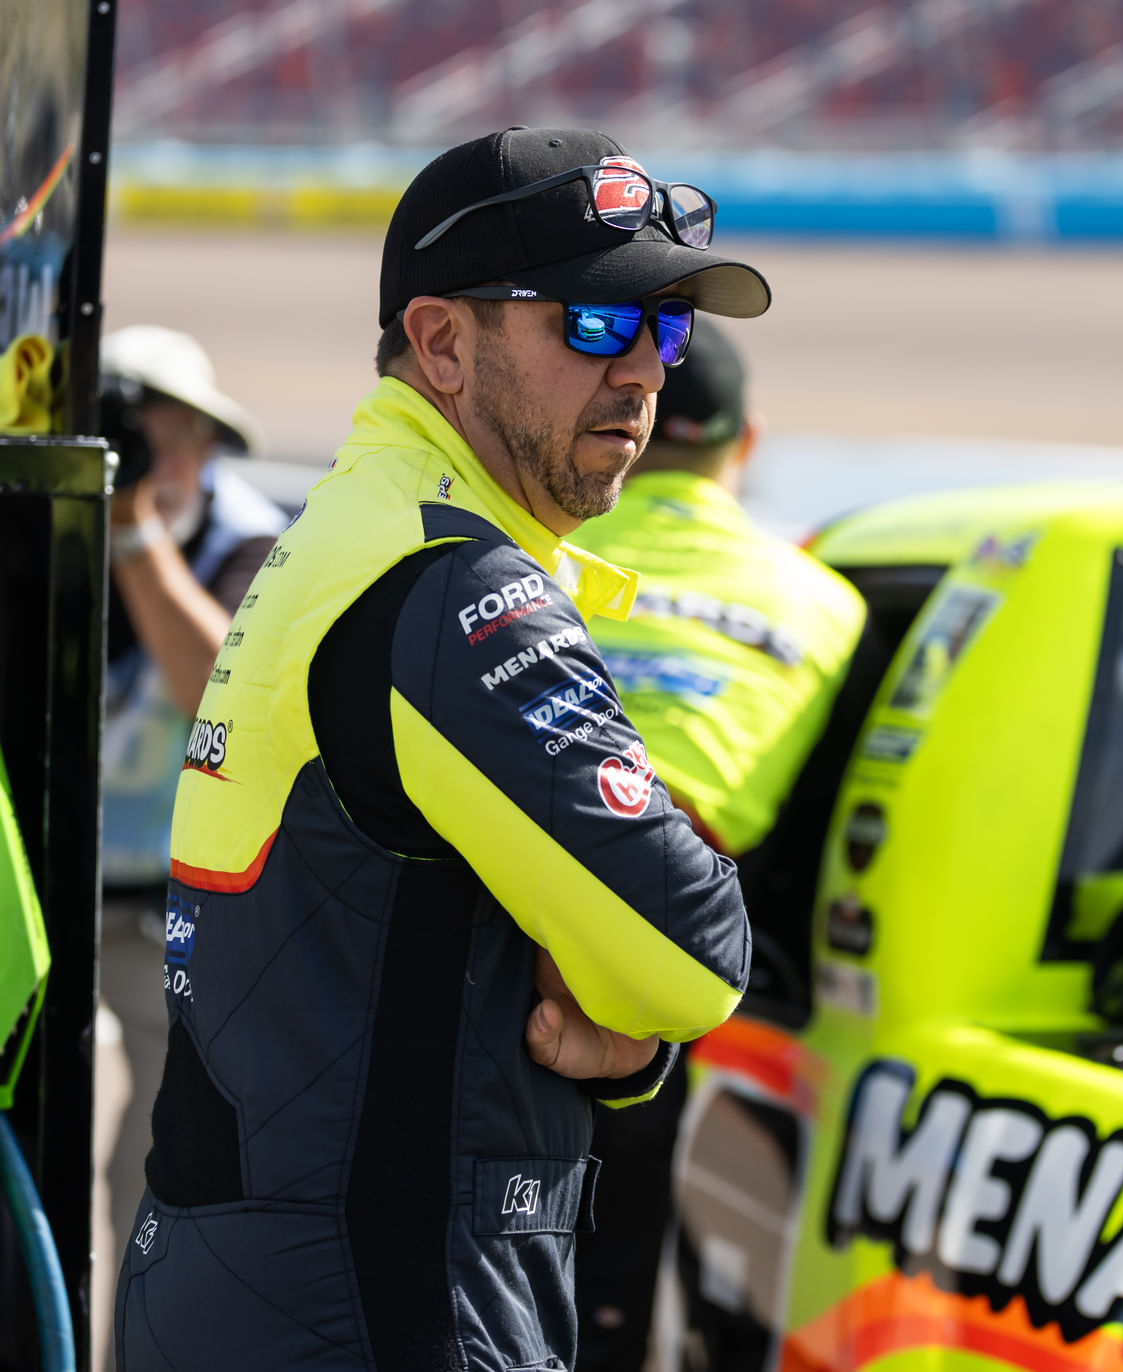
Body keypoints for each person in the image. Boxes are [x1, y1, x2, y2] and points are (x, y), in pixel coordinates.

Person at [113, 126, 764, 1372]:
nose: (643, 370)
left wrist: (620, 1032)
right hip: (373, 1302)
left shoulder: (350, 531)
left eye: (665, 327)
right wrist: (633, 1026)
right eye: (592, 321)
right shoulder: (450, 587)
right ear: (443, 342)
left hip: (259, 1275)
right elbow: (694, 952)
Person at [565, 323, 865, 1369]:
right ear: (750, 441)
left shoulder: (531, 553)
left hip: (488, 924)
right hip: (661, 966)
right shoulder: (826, 602)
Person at [91, 325, 287, 1371]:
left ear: (211, 446)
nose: (161, 462)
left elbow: (213, 689)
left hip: (176, 901)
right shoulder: (39, 513)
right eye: (134, 438)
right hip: (47, 886)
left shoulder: (255, 540)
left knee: (158, 1166)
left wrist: (130, 533)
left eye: (178, 437)